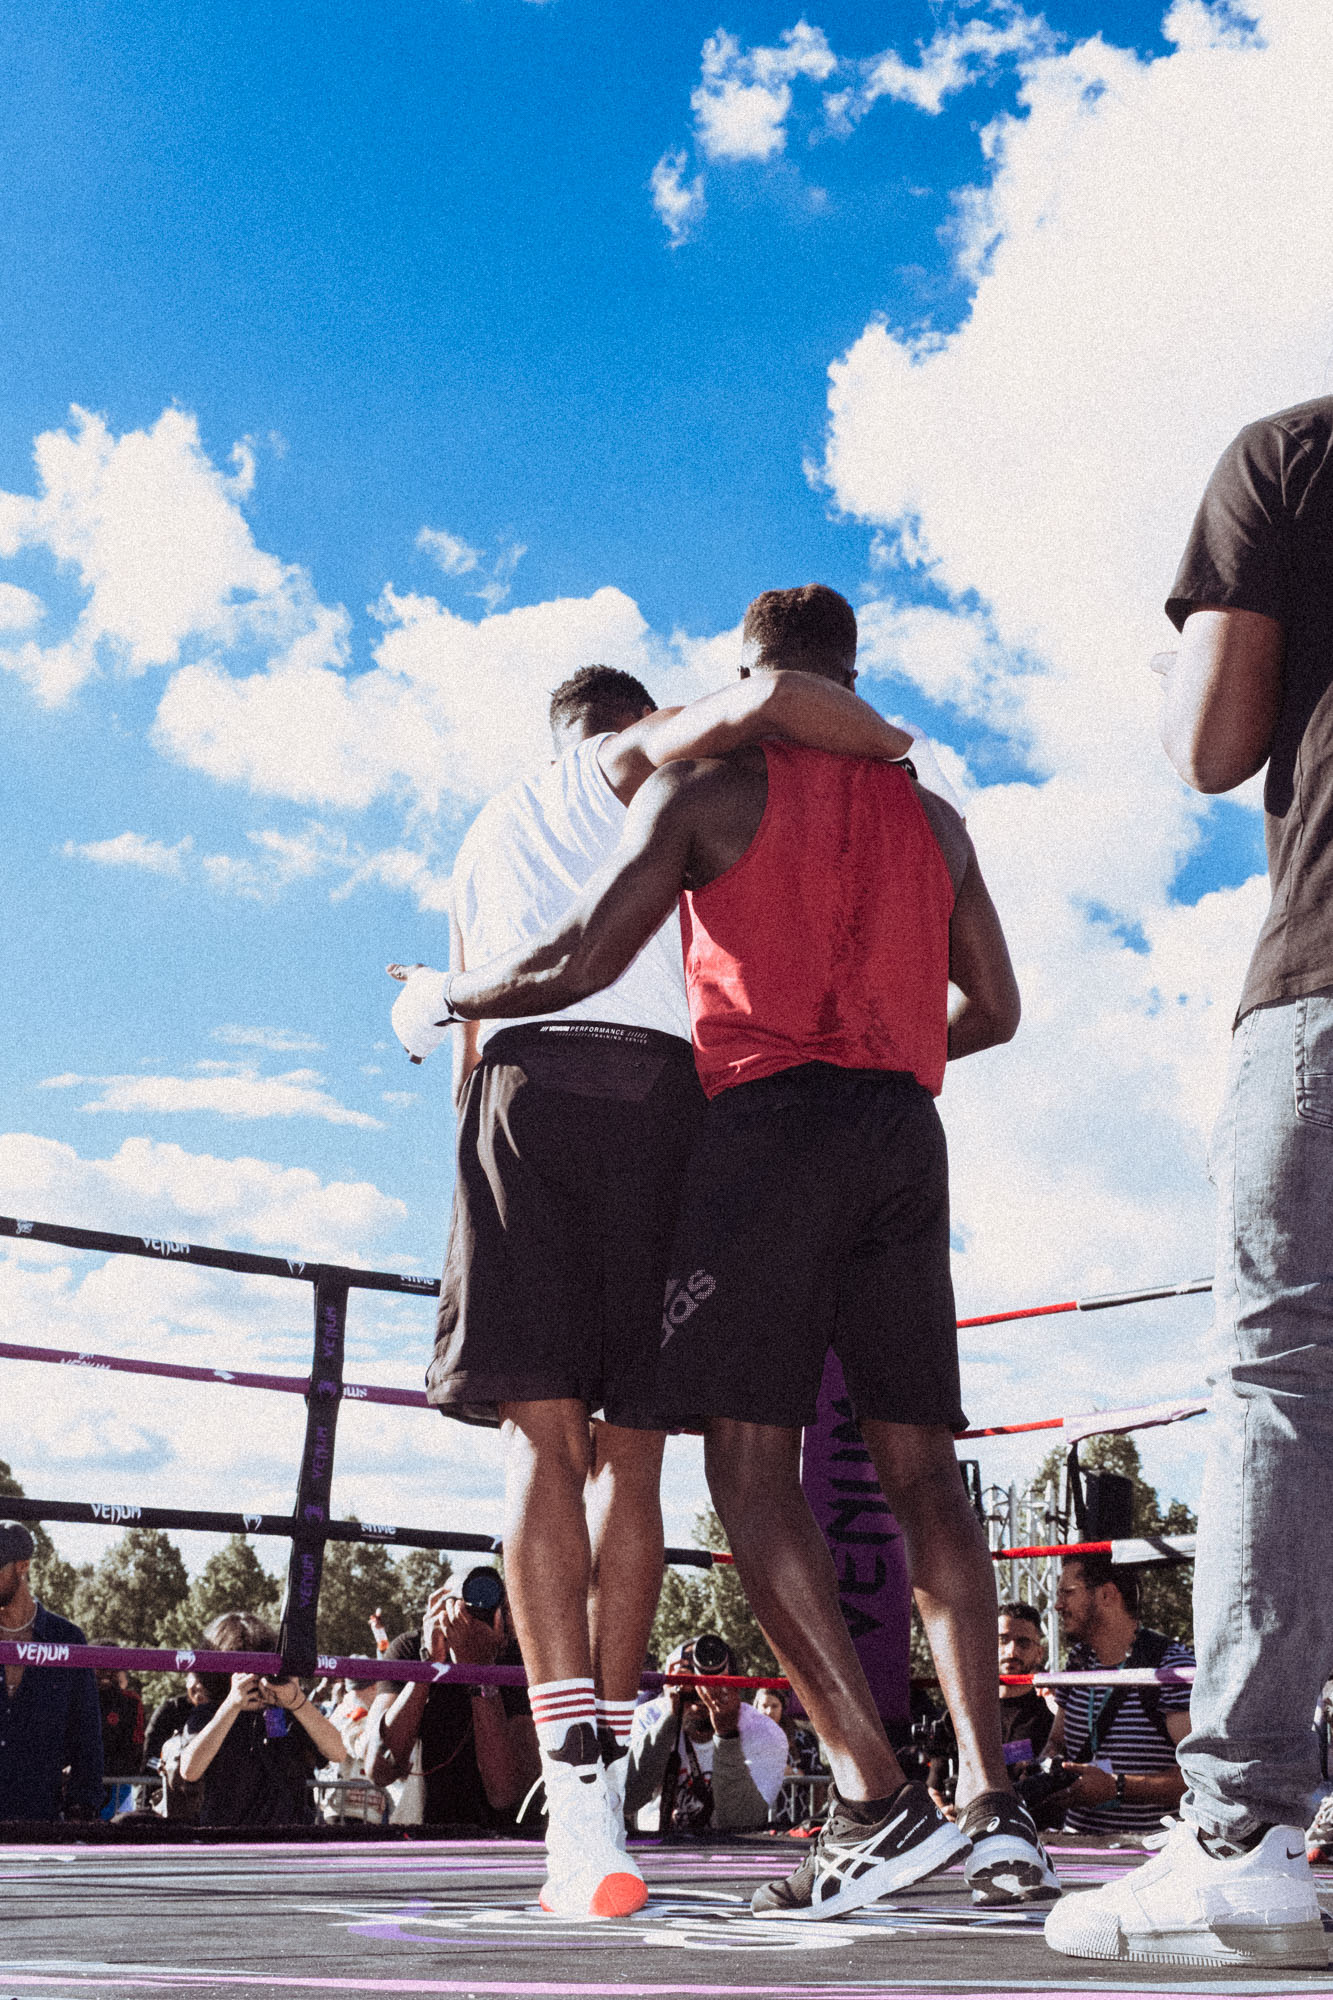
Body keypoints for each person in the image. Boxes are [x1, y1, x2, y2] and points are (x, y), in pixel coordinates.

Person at [426, 584, 1059, 1919]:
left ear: (743, 671)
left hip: (760, 1129)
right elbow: (993, 1006)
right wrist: (893, 1046)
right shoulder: (934, 820)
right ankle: (996, 1810)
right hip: (903, 1131)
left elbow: (586, 957)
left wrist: (446, 998)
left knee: (747, 1467)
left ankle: (872, 1800)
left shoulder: (708, 788)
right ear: (850, 674)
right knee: (924, 1475)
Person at [1048, 397, 1333, 1969]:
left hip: (1326, 980)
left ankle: (1242, 1835)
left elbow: (1214, 748)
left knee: (1286, 1381)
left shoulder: (1293, 454)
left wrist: (1180, 679)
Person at [364, 1577, 539, 1828]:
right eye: (461, 1608)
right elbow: (379, 1770)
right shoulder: (412, 1649)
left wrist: (481, 1672)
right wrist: (428, 1666)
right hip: (421, 1832)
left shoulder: (520, 1659)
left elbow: (503, 1792)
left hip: (497, 1839)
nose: (473, 1618)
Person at [1040, 1558, 1192, 1836]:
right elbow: (1058, 1741)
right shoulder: (1078, 1662)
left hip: (1147, 1857)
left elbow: (1201, 1779)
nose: (1058, 1605)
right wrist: (1048, 1766)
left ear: (1107, 1595)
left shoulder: (1171, 1668)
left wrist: (1119, 1787)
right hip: (1077, 1850)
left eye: (1068, 1593)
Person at [177, 1612, 346, 1827]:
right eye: (242, 1669)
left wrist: (297, 1702)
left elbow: (338, 1752)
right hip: (227, 1841)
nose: (253, 1677)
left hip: (290, 1841)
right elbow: (189, 1770)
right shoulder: (210, 1713)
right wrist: (231, 1706)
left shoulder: (291, 1710)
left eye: (262, 1668)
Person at [624, 1637, 788, 1833]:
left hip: (732, 1854)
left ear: (735, 1683)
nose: (703, 1694)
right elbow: (627, 1799)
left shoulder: (765, 1733)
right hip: (658, 1849)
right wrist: (669, 1719)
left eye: (714, 1681)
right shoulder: (648, 1717)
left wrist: (727, 1734)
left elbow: (742, 1820)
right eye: (690, 1679)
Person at [0, 1521, 102, 1822]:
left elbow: (88, 1736)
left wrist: (81, 1810)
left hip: (40, 1823)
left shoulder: (67, 1638)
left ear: (22, 1567)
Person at [928, 1600, 1056, 1816]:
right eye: (1002, 1640)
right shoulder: (960, 1713)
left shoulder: (1051, 1719)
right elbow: (933, 1787)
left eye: (1023, 1643)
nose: (1011, 1651)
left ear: (1039, 1654)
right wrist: (944, 1814)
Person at [144, 1670, 210, 1766]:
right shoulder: (170, 1709)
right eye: (196, 1676)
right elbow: (149, 1758)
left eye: (205, 1680)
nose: (199, 1685)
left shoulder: (226, 1710)